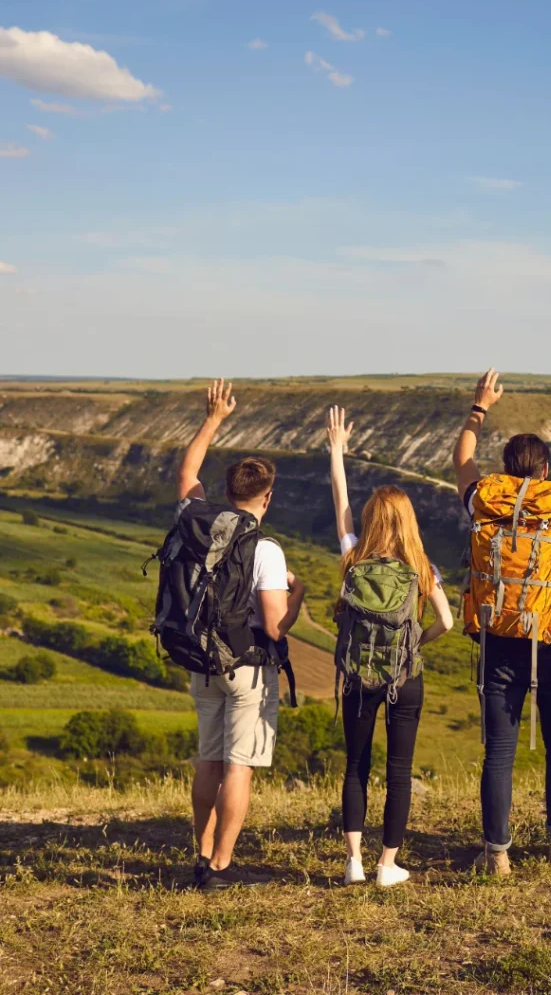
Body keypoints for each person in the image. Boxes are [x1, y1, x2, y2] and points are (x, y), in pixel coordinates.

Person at [453, 369, 551, 876]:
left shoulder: (483, 508)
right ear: (547, 469)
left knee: (499, 752)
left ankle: (497, 854)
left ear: (507, 470)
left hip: (497, 639)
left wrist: (479, 406)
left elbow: (462, 460)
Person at [177, 380, 306, 890]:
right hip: (246, 666)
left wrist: (214, 418)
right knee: (239, 765)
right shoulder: (266, 550)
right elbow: (274, 625)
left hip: (200, 656)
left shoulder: (195, 519)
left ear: (228, 491)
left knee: (208, 757)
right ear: (266, 498)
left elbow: (187, 471)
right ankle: (222, 867)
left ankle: (201, 852)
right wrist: (299, 595)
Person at [327, 405, 454, 888]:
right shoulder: (422, 567)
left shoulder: (353, 559)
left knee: (355, 765)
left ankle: (353, 862)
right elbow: (446, 620)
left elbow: (340, 503)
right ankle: (387, 866)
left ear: (370, 520)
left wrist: (337, 451)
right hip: (405, 678)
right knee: (398, 771)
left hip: (358, 676)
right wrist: (414, 643)